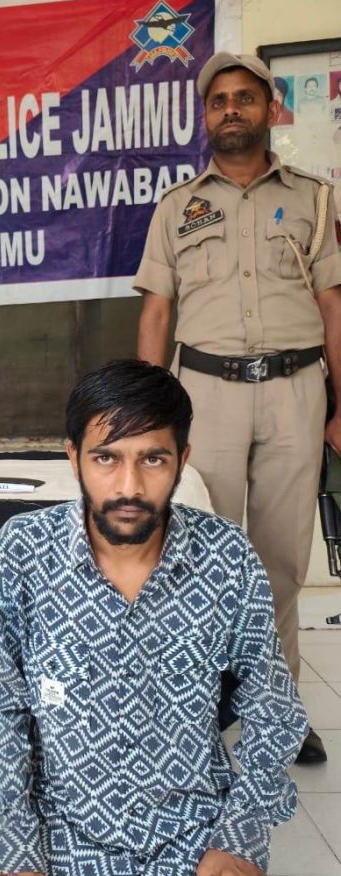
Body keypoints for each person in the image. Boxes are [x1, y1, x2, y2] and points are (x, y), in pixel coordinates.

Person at [0, 360, 307, 876]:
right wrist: (16, 858)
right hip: (61, 837)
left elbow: (273, 706)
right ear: (74, 457)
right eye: (106, 458)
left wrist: (239, 838)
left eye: (153, 459)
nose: (129, 485)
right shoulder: (26, 552)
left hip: (192, 838)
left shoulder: (227, 557)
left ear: (182, 460)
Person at [135, 51, 341, 764]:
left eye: (245, 97)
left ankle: (278, 712)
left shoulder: (314, 200)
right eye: (219, 99)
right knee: (198, 563)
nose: (231, 109)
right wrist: (146, 416)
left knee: (280, 563)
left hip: (295, 392)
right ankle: (199, 715)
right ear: (206, 116)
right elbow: (157, 313)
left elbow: (332, 306)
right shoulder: (176, 207)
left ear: (270, 109)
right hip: (206, 398)